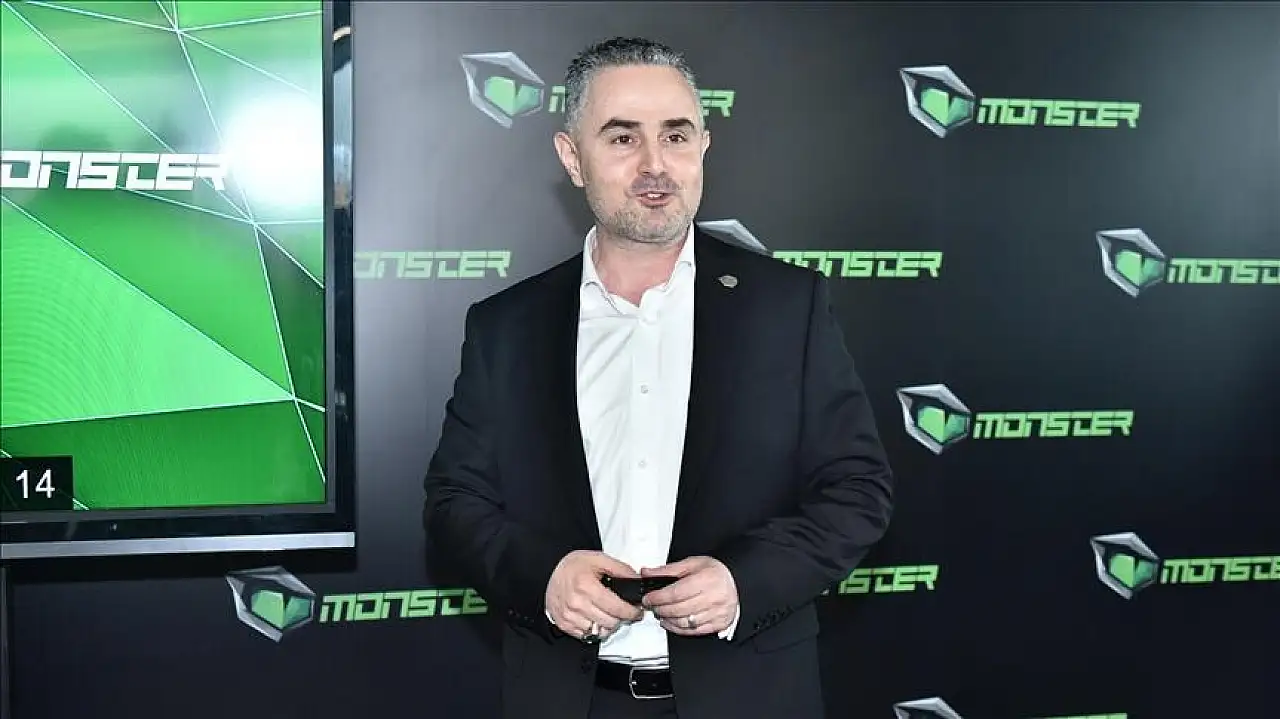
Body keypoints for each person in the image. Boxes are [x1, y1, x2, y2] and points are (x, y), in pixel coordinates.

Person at [423, 36, 895, 719]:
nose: (655, 164)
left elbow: (857, 490)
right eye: (622, 138)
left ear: (703, 145)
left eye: (675, 135)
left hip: (748, 698)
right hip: (571, 700)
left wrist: (743, 582)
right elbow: (455, 502)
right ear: (571, 157)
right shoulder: (507, 326)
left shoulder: (787, 307)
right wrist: (545, 578)